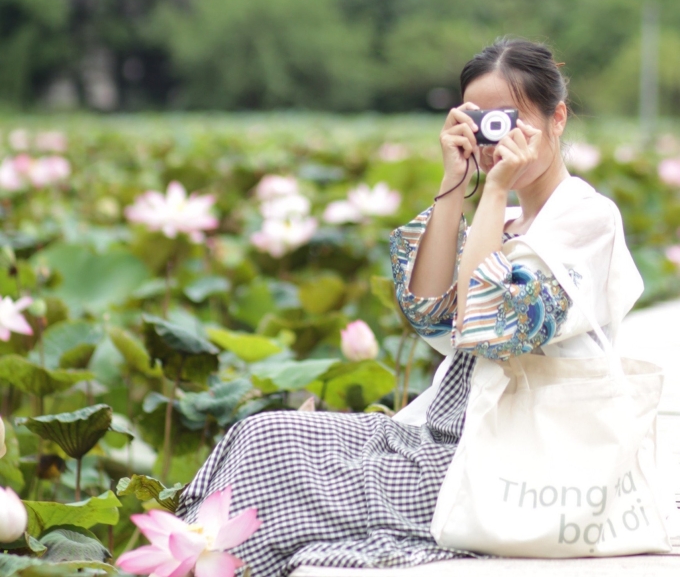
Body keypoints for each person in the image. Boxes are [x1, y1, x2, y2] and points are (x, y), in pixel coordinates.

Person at [177, 38, 643, 576]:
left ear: (557, 117)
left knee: (288, 483)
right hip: (442, 431)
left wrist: (492, 193)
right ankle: (193, 556)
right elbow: (427, 309)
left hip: (511, 456)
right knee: (263, 435)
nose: (495, 140)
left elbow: (489, 325)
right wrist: (455, 180)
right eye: (480, 120)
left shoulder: (587, 219)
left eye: (510, 120)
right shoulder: (508, 218)